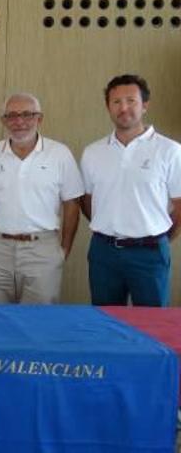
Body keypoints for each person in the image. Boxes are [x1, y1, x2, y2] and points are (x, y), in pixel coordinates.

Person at [0, 93, 83, 304]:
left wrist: (63, 249)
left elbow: (72, 204)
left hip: (42, 249)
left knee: (38, 324)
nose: (19, 122)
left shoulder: (60, 154)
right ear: (3, 121)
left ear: (39, 118)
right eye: (11, 116)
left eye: (27, 115)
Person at [81, 74, 181, 307]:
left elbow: (179, 205)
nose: (123, 108)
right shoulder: (93, 152)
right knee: (105, 322)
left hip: (150, 253)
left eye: (131, 101)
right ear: (108, 107)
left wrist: (159, 236)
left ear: (145, 105)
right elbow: (87, 201)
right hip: (103, 253)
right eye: (116, 102)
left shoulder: (170, 151)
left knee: (152, 326)